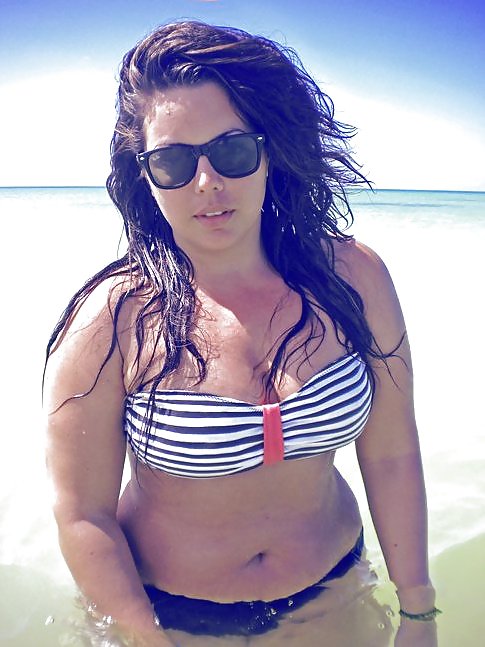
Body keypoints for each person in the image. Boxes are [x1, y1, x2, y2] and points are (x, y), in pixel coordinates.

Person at [43, 20, 440, 646]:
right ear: (144, 173)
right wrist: (147, 639)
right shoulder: (112, 320)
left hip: (335, 590)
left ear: (269, 151)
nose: (207, 183)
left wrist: (417, 609)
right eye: (173, 161)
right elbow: (82, 515)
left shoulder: (352, 278)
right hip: (176, 620)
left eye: (231, 150)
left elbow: (391, 454)